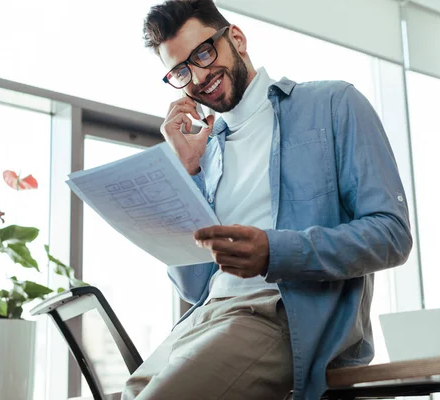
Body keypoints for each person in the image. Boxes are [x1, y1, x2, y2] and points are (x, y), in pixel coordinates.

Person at [123, 0, 412, 398]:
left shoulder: (333, 104)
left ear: (236, 39)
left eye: (204, 53)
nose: (199, 76)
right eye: (181, 70)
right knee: (124, 393)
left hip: (280, 314)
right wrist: (185, 173)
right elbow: (192, 287)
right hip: (206, 318)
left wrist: (274, 251)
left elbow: (392, 235)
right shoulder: (204, 151)